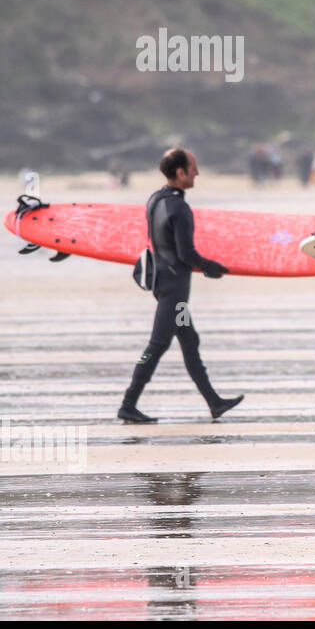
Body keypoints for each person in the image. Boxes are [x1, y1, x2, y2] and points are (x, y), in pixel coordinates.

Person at [118, 148, 244, 424]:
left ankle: (214, 402)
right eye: (193, 168)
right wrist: (211, 267)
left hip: (163, 281)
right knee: (158, 344)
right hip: (175, 288)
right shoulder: (180, 208)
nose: (197, 173)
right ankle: (128, 403)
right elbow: (186, 254)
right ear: (180, 172)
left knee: (189, 341)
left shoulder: (156, 199)